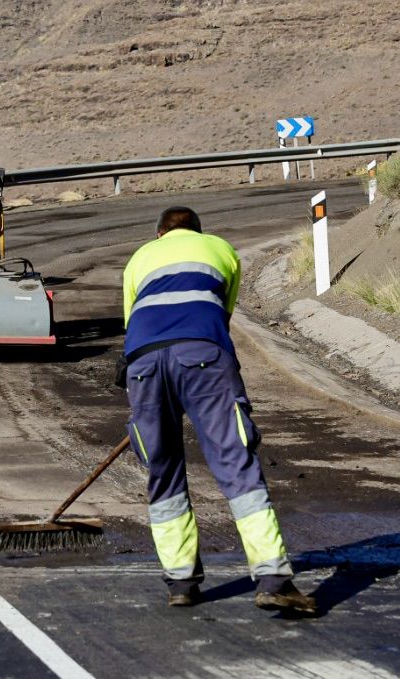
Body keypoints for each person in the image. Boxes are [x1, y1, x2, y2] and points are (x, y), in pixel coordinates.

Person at [121, 206, 316, 615]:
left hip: (142, 367)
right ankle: (273, 578)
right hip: (203, 355)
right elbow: (221, 317)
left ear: (159, 234)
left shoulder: (138, 259)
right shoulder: (221, 249)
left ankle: (180, 582)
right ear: (197, 230)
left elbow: (132, 324)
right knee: (234, 461)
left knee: (163, 469)